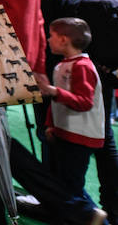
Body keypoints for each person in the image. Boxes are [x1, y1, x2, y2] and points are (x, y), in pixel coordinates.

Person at [35, 18, 108, 224]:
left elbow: (84, 102)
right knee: (63, 182)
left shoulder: (82, 66)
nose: (48, 40)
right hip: (65, 132)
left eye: (52, 36)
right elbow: (58, 101)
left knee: (72, 185)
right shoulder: (63, 65)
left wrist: (53, 91)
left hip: (81, 136)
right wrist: (51, 124)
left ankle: (96, 219)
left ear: (64, 40)